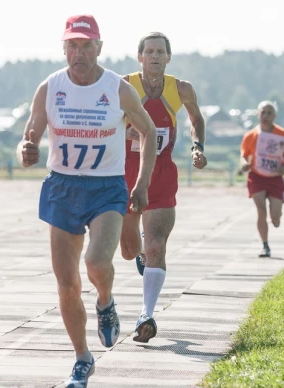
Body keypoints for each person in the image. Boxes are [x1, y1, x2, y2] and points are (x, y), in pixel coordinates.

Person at [16, 15, 158, 388]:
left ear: (99, 47)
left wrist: (141, 183)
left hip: (106, 187)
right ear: (64, 48)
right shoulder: (50, 87)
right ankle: (82, 359)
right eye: (72, 46)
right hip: (62, 186)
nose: (79, 53)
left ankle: (106, 301)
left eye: (86, 45)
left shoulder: (117, 88)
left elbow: (149, 133)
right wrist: (26, 151)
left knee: (96, 262)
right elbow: (29, 135)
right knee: (66, 283)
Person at [119, 32, 207, 343]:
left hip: (162, 172)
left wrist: (197, 147)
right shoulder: (123, 86)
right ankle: (138, 247)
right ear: (139, 56)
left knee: (158, 245)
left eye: (161, 52)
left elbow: (197, 119)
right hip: (125, 173)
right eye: (150, 51)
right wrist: (127, 135)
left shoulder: (181, 89)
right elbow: (103, 124)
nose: (155, 56)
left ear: (168, 58)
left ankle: (146, 314)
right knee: (129, 252)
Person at [240, 101, 284, 258]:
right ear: (258, 114)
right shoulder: (250, 136)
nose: (265, 116)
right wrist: (244, 164)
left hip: (275, 178)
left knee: (275, 216)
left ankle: (276, 216)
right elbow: (244, 155)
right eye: (263, 112)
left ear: (274, 116)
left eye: (269, 113)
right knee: (261, 211)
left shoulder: (283, 135)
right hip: (256, 176)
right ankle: (265, 246)